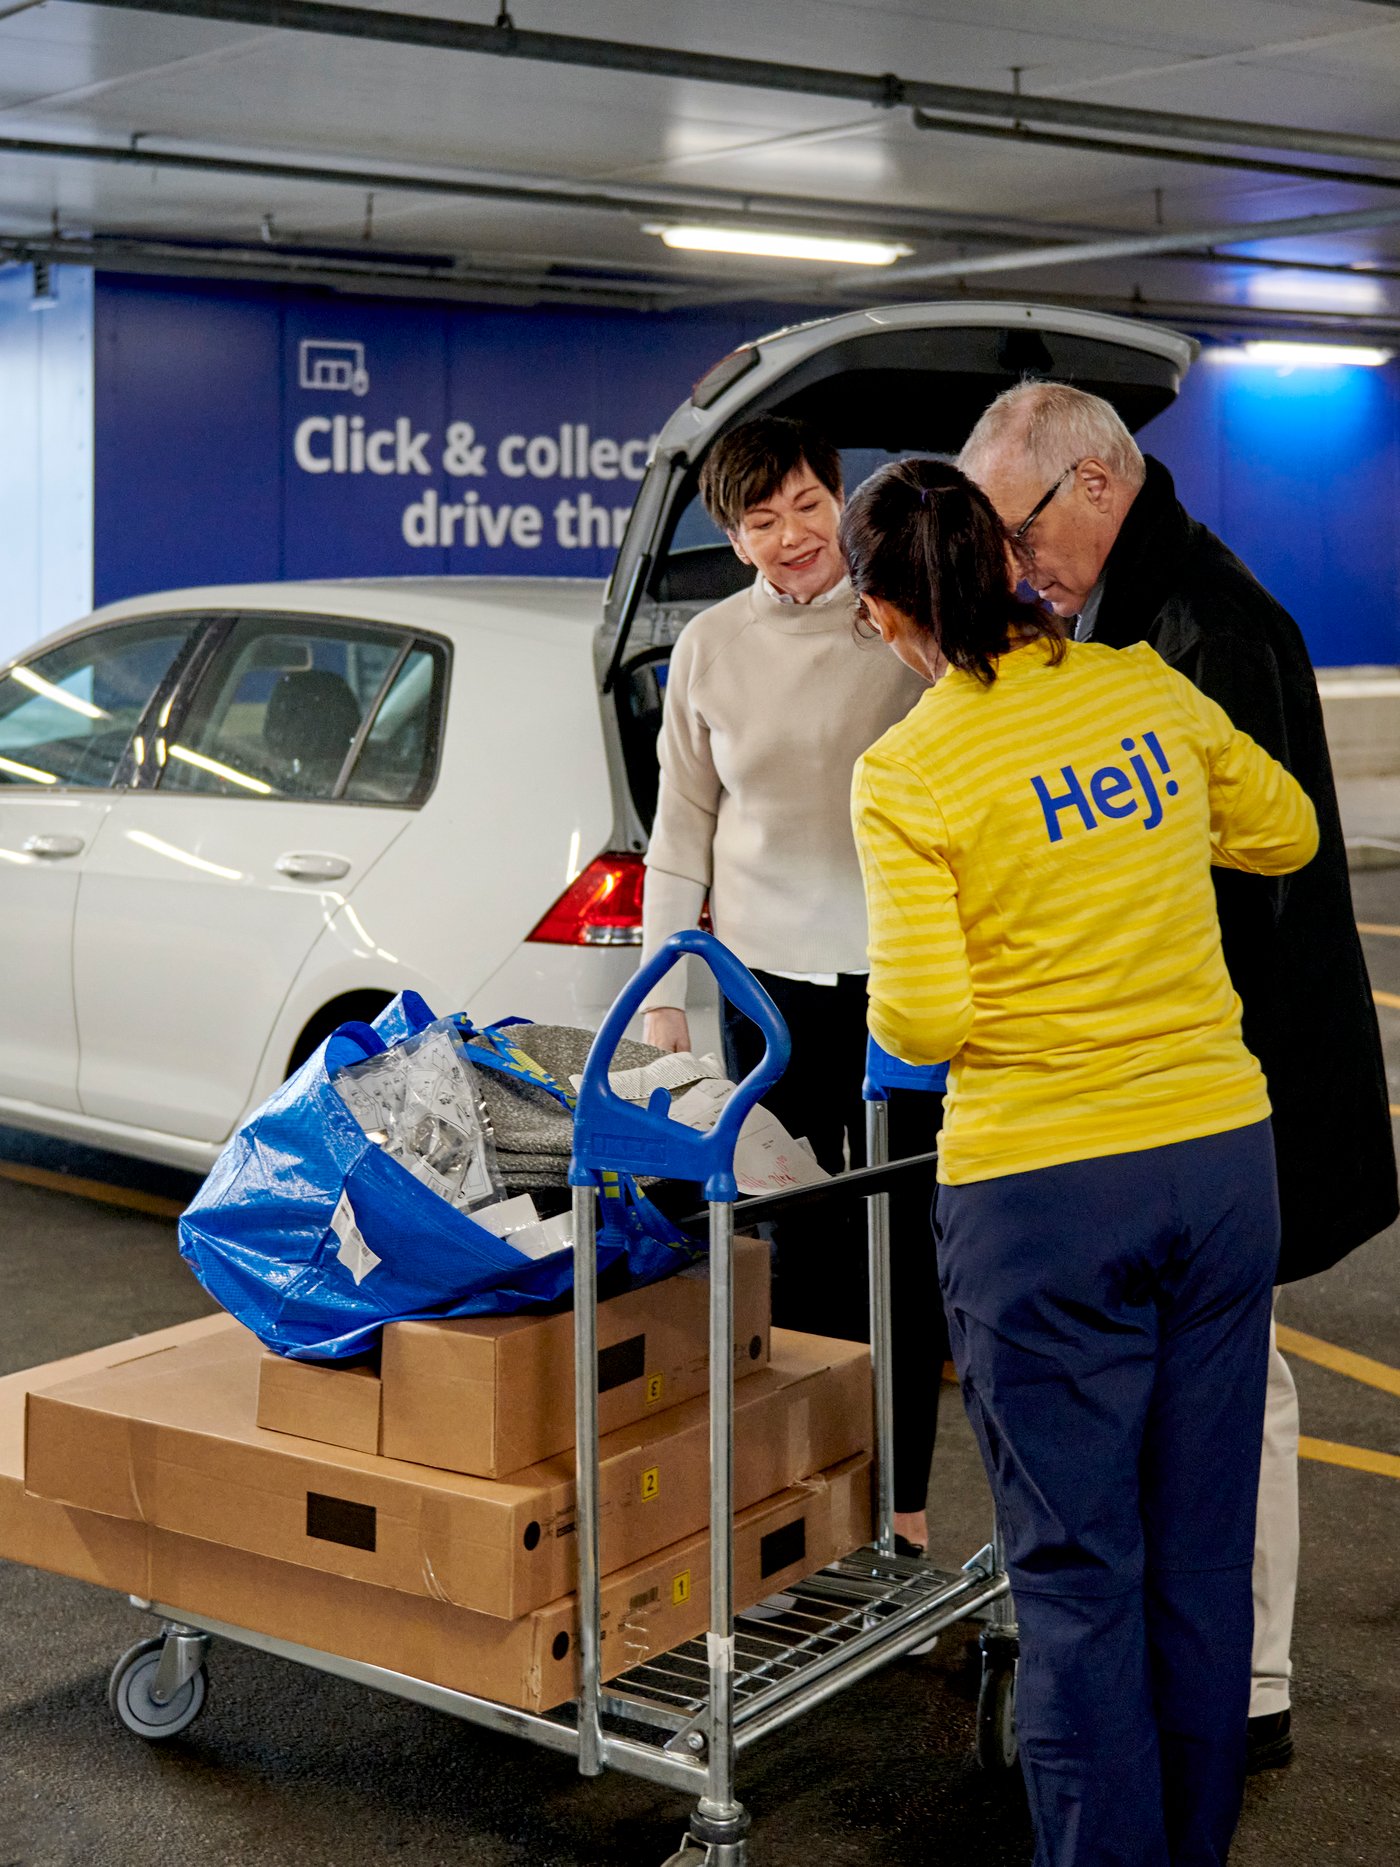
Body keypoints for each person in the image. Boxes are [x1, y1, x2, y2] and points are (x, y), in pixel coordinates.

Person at [844, 456, 1319, 1867]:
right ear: (1010, 564)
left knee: (1074, 1573)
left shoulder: (907, 770)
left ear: (885, 615)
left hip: (1045, 1193)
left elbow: (921, 1021)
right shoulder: (1146, 690)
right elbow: (1285, 827)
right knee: (1199, 1550)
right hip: (1218, 1164)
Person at [958, 381, 1398, 1770]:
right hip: (1188, 1089)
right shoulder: (1129, 607)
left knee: (1238, 1386)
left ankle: (1251, 1684)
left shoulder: (1207, 629)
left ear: (1096, 484)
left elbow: (1243, 892)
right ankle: (1202, 1666)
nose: (1011, 566)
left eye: (1019, 529)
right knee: (1197, 1387)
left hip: (1230, 1087)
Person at [638, 414, 938, 1552]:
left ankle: (903, 1506)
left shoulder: (898, 622)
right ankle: (811, 1500)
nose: (792, 535)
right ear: (731, 536)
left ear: (841, 498)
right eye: (761, 520)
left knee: (905, 1237)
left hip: (901, 976)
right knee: (795, 1239)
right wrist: (665, 989)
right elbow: (680, 832)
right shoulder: (708, 647)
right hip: (766, 990)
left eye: (809, 504)